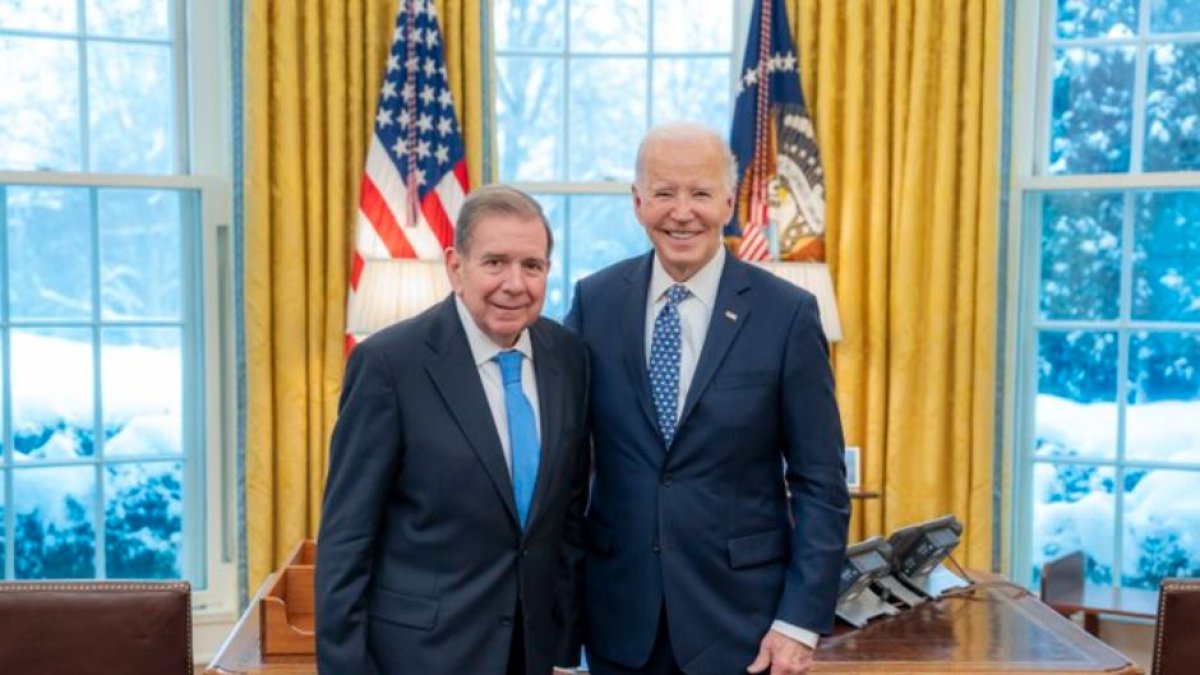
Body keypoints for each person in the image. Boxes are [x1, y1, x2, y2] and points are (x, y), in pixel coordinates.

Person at [565, 122, 850, 675]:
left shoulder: (786, 315)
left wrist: (798, 622)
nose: (682, 211)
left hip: (745, 628)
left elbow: (820, 482)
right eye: (665, 192)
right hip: (618, 623)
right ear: (638, 201)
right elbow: (565, 466)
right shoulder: (594, 303)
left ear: (728, 199)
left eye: (699, 192)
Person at [316, 185, 589, 675]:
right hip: (420, 656)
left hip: (533, 655)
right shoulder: (389, 365)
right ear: (455, 266)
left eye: (532, 265)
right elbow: (346, 542)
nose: (515, 283)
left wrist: (565, 653)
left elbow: (567, 517)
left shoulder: (568, 358)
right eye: (495, 262)